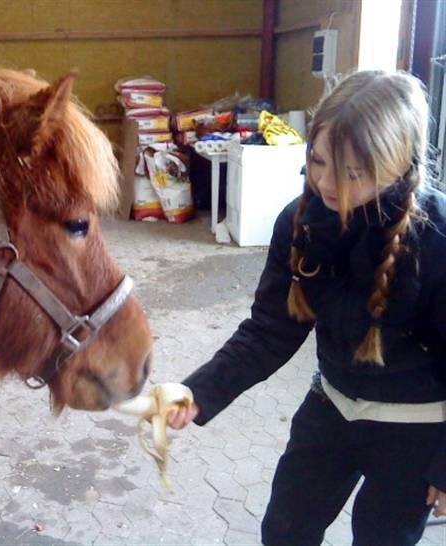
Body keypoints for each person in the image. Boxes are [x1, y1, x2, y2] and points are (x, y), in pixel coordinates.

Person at [167, 70, 446, 546]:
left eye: (352, 172)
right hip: (331, 406)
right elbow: (270, 329)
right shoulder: (300, 222)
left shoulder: (436, 238)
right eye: (318, 160)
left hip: (414, 431)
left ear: (397, 164)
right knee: (285, 529)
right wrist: (198, 392)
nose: (325, 183)